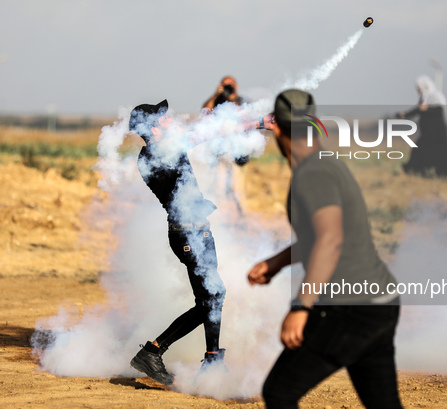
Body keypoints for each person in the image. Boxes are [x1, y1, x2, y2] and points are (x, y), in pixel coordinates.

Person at [247, 90, 404, 408]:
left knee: (280, 392)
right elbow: (321, 238)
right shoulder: (322, 164)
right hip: (379, 303)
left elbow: (331, 240)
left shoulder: (313, 173)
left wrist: (301, 307)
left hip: (350, 309)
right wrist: (277, 262)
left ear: (276, 127)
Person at [127, 99, 272, 385]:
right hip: (186, 235)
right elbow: (207, 133)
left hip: (199, 231)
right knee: (212, 296)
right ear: (152, 128)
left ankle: (211, 358)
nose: (169, 121)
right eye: (162, 119)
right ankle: (156, 351)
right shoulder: (156, 154)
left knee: (211, 297)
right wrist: (258, 123)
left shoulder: (164, 147)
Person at [396, 75, 447, 177]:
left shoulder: (435, 96)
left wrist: (427, 110)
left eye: (418, 87)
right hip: (427, 132)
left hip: (436, 132)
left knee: (437, 151)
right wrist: (404, 115)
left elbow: (438, 109)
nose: (417, 90)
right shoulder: (424, 98)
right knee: (423, 152)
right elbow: (418, 110)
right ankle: (418, 172)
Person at [202, 75, 248, 214]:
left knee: (238, 188)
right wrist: (216, 94)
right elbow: (205, 112)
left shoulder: (241, 101)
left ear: (236, 86)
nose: (228, 88)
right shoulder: (216, 100)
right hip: (220, 153)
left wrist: (233, 98)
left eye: (230, 85)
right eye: (225, 85)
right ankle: (222, 218)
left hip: (237, 154)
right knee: (219, 188)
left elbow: (246, 118)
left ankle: (243, 218)